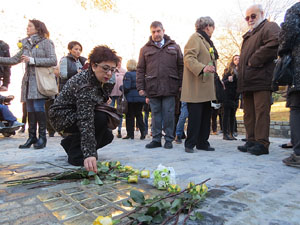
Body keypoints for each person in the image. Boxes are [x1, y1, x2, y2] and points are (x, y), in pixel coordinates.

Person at [49, 45, 119, 172]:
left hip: (77, 113)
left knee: (107, 136)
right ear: (93, 66)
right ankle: (76, 156)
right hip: (62, 117)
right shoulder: (84, 83)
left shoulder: (102, 79)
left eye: (112, 70)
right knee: (100, 118)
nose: (109, 73)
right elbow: (85, 119)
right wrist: (90, 154)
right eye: (105, 68)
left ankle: (70, 143)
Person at [0, 19, 57, 149]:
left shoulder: (46, 42)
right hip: (28, 81)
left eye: (30, 26)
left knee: (38, 107)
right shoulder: (26, 44)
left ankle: (42, 137)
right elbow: (14, 59)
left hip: (40, 80)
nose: (27, 28)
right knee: (30, 109)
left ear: (38, 28)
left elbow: (53, 60)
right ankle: (32, 137)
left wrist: (32, 60)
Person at [237, 4, 280, 155]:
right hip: (247, 81)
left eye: (253, 16)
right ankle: (251, 140)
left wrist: (254, 60)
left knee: (261, 111)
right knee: (248, 113)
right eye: (247, 17)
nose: (249, 19)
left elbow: (275, 43)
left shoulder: (269, 26)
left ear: (261, 13)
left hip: (261, 79)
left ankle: (262, 143)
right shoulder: (249, 35)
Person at [136, 21, 183, 149]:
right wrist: (140, 87)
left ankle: (168, 139)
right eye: (153, 32)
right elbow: (140, 69)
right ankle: (156, 139)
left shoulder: (175, 47)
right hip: (153, 87)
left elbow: (181, 67)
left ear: (163, 31)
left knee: (169, 114)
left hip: (170, 86)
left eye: (158, 31)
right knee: (155, 114)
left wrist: (181, 84)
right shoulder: (145, 49)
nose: (156, 34)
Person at [181, 16, 218, 153]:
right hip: (196, 87)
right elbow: (188, 57)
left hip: (206, 86)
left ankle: (202, 143)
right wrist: (203, 68)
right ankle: (189, 144)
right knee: (195, 117)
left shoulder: (206, 41)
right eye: (213, 28)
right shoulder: (195, 38)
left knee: (205, 116)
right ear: (208, 26)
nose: (213, 31)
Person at [278, 1, 300, 167]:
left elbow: (289, 32)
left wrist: (283, 51)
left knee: (297, 106)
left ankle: (298, 154)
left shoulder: (295, 9)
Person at [121, 59, 146, 140]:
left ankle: (130, 134)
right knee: (139, 115)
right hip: (140, 97)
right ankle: (143, 133)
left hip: (130, 99)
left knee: (129, 116)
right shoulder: (140, 74)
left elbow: (127, 87)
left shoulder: (128, 74)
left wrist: (121, 87)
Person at [222, 55, 240, 140]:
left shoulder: (242, 71)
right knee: (226, 115)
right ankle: (225, 133)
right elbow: (222, 83)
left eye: (239, 58)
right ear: (233, 61)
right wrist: (228, 80)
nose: (237, 60)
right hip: (227, 95)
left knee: (233, 115)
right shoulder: (228, 71)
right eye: (235, 59)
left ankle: (232, 133)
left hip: (236, 96)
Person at [110, 57, 126, 138]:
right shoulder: (111, 70)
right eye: (117, 62)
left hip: (120, 94)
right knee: (110, 111)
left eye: (120, 61)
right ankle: (109, 129)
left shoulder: (124, 71)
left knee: (120, 112)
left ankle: (119, 130)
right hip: (111, 94)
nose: (119, 63)